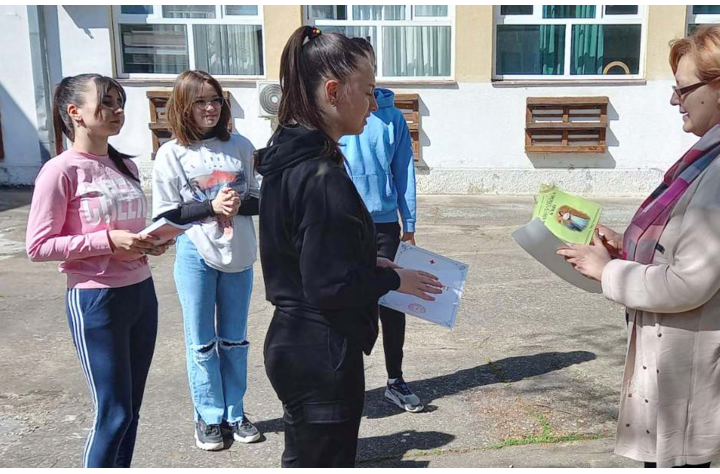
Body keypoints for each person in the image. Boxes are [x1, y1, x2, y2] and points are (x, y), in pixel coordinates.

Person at [556, 25, 720, 467]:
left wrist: (607, 270)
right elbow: (693, 249)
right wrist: (631, 245)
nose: (674, 100)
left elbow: (686, 284)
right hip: (684, 358)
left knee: (679, 462)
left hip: (692, 367)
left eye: (682, 89)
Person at [256, 26, 443, 467]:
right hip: (321, 351)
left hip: (296, 345)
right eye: (369, 91)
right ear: (334, 91)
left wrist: (366, 259)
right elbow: (330, 286)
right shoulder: (321, 176)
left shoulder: (291, 155)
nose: (374, 103)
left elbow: (307, 255)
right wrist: (392, 276)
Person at [25, 74, 171, 467]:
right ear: (75, 113)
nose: (117, 110)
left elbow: (131, 231)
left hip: (141, 294)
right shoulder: (61, 171)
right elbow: (38, 246)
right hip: (95, 300)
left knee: (131, 412)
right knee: (113, 414)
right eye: (105, 102)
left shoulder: (125, 165)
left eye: (119, 102)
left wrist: (149, 242)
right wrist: (108, 241)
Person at [151, 70, 262, 450]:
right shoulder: (171, 154)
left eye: (215, 99)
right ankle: (209, 416)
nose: (210, 107)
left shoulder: (242, 146)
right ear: (184, 106)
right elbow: (166, 214)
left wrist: (237, 202)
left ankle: (235, 411)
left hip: (240, 253)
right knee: (201, 341)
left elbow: (260, 198)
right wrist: (210, 206)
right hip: (195, 253)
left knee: (234, 340)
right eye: (200, 101)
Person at [338, 39, 422, 413]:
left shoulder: (392, 117)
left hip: (385, 222)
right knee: (350, 301)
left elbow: (403, 171)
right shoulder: (335, 113)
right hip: (345, 224)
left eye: (367, 64)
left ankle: (395, 379)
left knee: (392, 301)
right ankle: (346, 383)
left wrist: (410, 223)